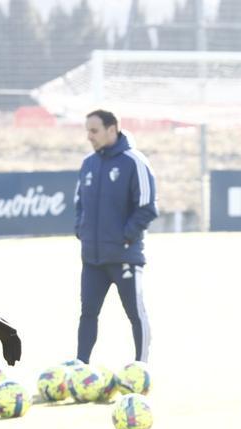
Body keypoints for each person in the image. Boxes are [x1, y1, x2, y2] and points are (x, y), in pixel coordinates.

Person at [75, 109, 156, 365]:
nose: (89, 136)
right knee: (88, 314)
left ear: (112, 129)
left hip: (124, 257)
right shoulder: (88, 163)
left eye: (94, 130)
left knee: (135, 313)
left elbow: (147, 207)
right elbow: (79, 205)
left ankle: (141, 367)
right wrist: (83, 232)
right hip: (92, 258)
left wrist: (125, 237)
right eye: (87, 130)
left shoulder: (135, 162)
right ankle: (80, 367)